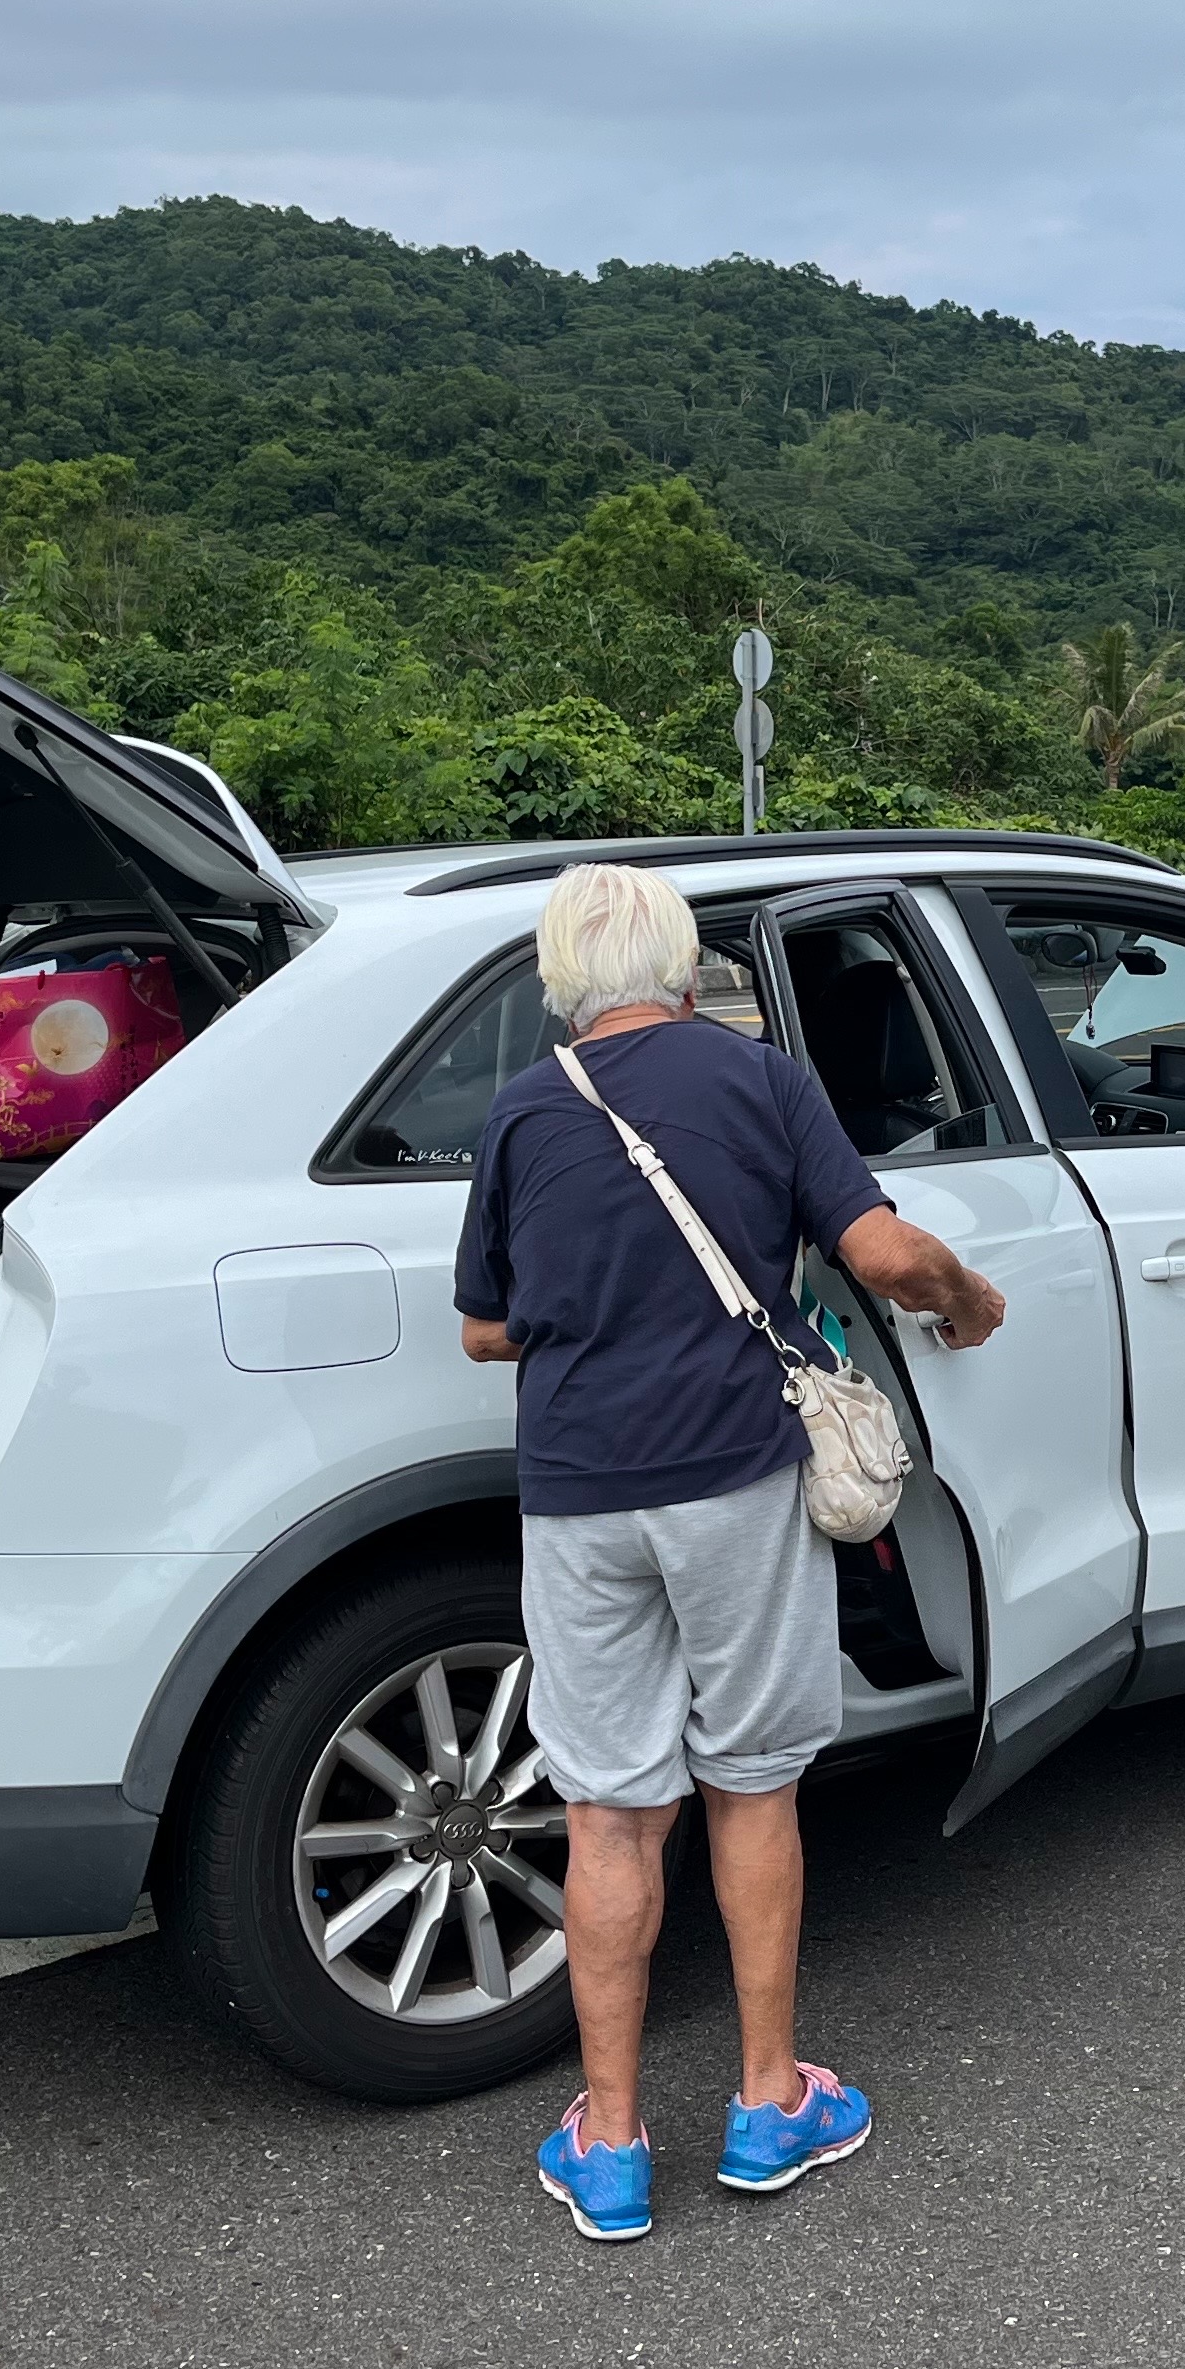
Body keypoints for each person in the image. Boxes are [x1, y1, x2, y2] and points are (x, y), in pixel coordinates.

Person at [454, 860, 1007, 2241]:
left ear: (561, 985)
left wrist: (598, 1312)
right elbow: (883, 1256)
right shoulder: (759, 1078)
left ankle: (612, 2145)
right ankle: (770, 2104)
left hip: (578, 1494)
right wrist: (968, 1298)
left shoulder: (524, 1108)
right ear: (685, 969)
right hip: (732, 1480)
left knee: (606, 1808)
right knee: (753, 1784)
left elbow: (484, 1329)